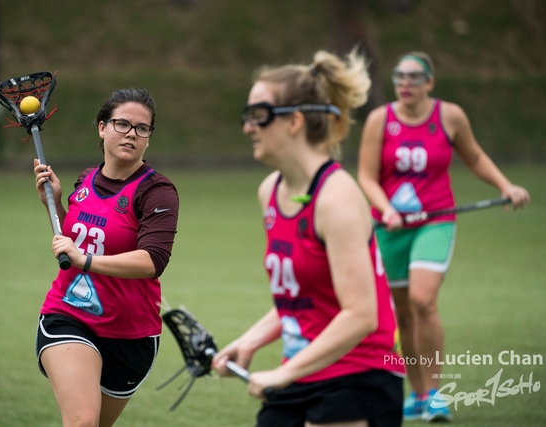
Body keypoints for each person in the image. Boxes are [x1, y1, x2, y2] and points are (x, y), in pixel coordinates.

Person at [212, 50, 406, 427]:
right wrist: (250, 340)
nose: (248, 127)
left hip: (360, 374)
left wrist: (283, 374)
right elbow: (302, 296)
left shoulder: (337, 198)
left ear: (294, 121)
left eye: (258, 115)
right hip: (306, 369)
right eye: (247, 116)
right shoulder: (270, 191)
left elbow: (361, 314)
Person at [357, 52, 530, 422]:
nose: (406, 83)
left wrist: (505, 185)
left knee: (423, 300)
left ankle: (435, 393)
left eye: (415, 77)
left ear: (430, 82)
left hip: (435, 221)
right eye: (400, 76)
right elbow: (367, 176)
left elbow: (475, 157)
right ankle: (417, 394)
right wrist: (386, 208)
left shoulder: (449, 116)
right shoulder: (379, 120)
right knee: (401, 314)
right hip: (391, 228)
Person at [33, 87, 179, 427]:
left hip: (132, 334)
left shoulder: (157, 191)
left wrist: (85, 260)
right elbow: (75, 245)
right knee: (82, 422)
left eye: (142, 128)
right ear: (102, 128)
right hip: (68, 315)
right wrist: (52, 203)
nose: (132, 133)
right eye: (122, 124)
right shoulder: (86, 179)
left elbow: (152, 261)